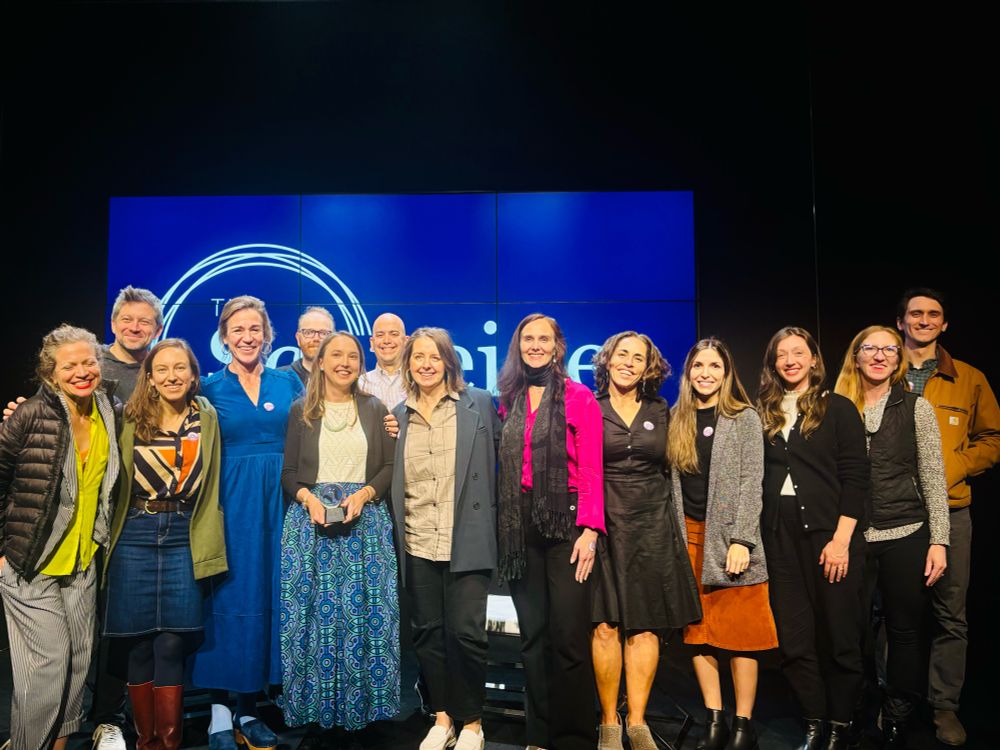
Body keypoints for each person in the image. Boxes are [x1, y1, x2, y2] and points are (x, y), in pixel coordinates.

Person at [0, 325, 121, 750]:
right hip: (31, 561)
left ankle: (59, 745)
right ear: (50, 373)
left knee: (78, 660)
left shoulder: (108, 409)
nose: (81, 372)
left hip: (82, 560)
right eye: (69, 366)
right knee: (47, 664)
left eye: (89, 362)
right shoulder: (30, 414)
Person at [190, 295, 303, 750]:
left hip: (282, 503)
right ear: (224, 337)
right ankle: (219, 710)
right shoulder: (208, 388)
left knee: (270, 597)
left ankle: (250, 707)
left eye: (255, 329)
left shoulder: (288, 383)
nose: (247, 337)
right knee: (230, 598)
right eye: (237, 329)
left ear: (267, 334)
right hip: (231, 504)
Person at [104, 339, 227, 750]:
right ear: (151, 377)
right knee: (138, 644)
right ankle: (147, 742)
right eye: (162, 369)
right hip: (135, 531)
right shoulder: (127, 416)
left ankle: (169, 743)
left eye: (180, 368)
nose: (172, 376)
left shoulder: (206, 417)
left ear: (193, 375)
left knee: (173, 641)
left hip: (184, 532)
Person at [281, 332, 399, 748]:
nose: (345, 362)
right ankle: (316, 717)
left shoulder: (375, 408)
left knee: (365, 618)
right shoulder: (301, 411)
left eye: (352, 356)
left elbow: (388, 467)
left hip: (365, 527)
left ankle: (362, 715)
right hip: (311, 528)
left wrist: (365, 494)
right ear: (321, 362)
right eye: (336, 355)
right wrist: (308, 498)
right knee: (314, 621)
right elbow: (288, 473)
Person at [834, 325, 949, 747]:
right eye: (871, 348)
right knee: (853, 632)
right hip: (853, 536)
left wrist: (939, 540)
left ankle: (898, 714)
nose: (880, 356)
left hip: (907, 532)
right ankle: (858, 707)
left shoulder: (916, 407)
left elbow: (933, 476)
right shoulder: (836, 406)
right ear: (856, 356)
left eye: (889, 350)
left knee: (904, 631)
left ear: (898, 360)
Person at [895, 288, 999, 747]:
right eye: (915, 313)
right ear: (900, 322)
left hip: (952, 510)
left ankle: (944, 707)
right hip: (893, 511)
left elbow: (992, 439)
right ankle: (893, 701)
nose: (924, 320)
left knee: (950, 615)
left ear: (945, 324)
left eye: (933, 314)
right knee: (889, 612)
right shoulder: (881, 370)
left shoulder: (969, 378)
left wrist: (949, 467)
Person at [757, 326, 870, 750]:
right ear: (773, 364)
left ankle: (840, 723)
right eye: (782, 354)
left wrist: (841, 541)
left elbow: (856, 477)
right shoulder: (763, 412)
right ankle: (813, 720)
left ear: (813, 360)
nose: (790, 361)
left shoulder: (837, 408)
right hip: (779, 536)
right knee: (794, 638)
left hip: (830, 534)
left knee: (840, 637)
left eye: (798, 353)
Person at [389, 327, 501, 750]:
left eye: (435, 356)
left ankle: (472, 722)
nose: (426, 364)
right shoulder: (397, 416)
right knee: (427, 633)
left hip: (467, 539)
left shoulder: (479, 403)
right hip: (417, 539)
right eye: (418, 357)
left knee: (467, 634)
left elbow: (502, 465)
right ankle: (442, 717)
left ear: (449, 362)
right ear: (408, 364)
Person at [496, 313, 604, 750]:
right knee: (533, 638)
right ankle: (538, 735)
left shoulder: (580, 397)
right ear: (518, 345)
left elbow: (593, 468)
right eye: (528, 338)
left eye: (544, 338)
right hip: (519, 523)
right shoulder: (509, 397)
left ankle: (574, 737)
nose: (536, 345)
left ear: (558, 346)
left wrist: (590, 531)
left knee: (569, 639)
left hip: (567, 523)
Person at [590, 332, 701, 750]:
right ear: (608, 360)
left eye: (638, 358)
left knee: (645, 626)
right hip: (603, 525)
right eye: (622, 355)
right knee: (605, 627)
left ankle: (636, 722)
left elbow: (681, 465)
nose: (629, 363)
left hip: (653, 525)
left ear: (648, 367)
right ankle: (609, 722)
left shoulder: (661, 411)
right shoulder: (590, 407)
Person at [668, 338, 777, 750]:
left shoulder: (743, 417)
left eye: (714, 366)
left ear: (727, 372)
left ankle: (743, 725)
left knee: (741, 634)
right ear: (688, 372)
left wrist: (742, 539)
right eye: (698, 365)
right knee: (698, 634)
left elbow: (752, 481)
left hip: (731, 541)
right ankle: (714, 719)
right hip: (689, 538)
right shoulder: (676, 418)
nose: (706, 373)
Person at [358, 312, 408, 410]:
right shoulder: (361, 384)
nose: (386, 340)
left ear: (406, 342)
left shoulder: (417, 381)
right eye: (380, 335)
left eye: (394, 334)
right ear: (372, 343)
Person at [279, 307, 335, 386]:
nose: (316, 338)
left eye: (323, 333)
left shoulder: (346, 380)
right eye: (308, 332)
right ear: (298, 339)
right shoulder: (279, 380)